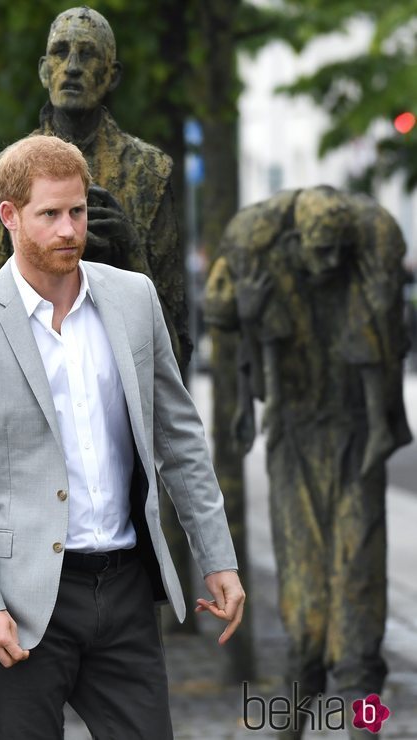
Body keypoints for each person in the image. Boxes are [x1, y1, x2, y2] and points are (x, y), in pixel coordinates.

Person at [0, 135, 244, 739]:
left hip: (125, 590)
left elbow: (179, 437)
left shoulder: (132, 298)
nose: (69, 229)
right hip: (24, 602)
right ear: (9, 215)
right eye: (49, 214)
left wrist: (217, 556)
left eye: (78, 211)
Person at [205, 186, 412, 731]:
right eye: (318, 251)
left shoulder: (361, 276)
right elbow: (222, 319)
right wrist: (246, 320)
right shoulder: (267, 273)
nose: (327, 264)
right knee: (302, 592)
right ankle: (292, 714)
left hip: (353, 440)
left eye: (336, 252)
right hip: (293, 442)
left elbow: (388, 347)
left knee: (360, 589)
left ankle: (364, 721)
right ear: (296, 241)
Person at [0, 6, 191, 368]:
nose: (71, 66)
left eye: (88, 53)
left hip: (117, 371)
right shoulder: (3, 174)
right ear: (43, 70)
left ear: (112, 75)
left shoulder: (149, 173)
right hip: (33, 369)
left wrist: (129, 250)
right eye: (60, 52)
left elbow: (174, 348)